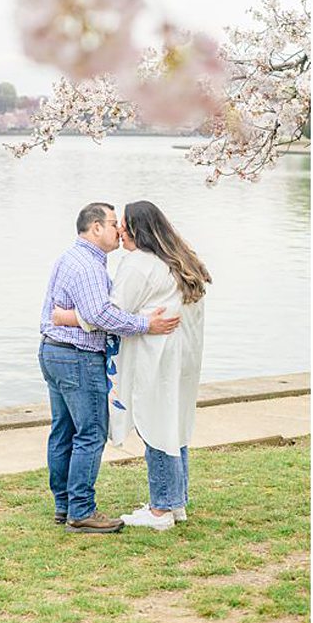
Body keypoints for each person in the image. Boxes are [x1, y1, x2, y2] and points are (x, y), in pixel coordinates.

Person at [39, 201, 181, 533]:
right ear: (95, 228)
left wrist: (66, 318)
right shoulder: (88, 267)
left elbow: (87, 312)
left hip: (54, 352)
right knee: (90, 434)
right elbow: (102, 315)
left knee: (63, 432)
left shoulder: (70, 258)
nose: (119, 230)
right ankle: (81, 511)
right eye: (113, 223)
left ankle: (65, 505)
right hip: (77, 357)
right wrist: (145, 324)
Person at [108, 200, 211, 532]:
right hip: (184, 360)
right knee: (175, 425)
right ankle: (175, 502)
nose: (119, 230)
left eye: (123, 224)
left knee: (155, 426)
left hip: (156, 360)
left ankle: (160, 511)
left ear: (139, 228)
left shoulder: (139, 264)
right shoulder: (182, 263)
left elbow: (114, 312)